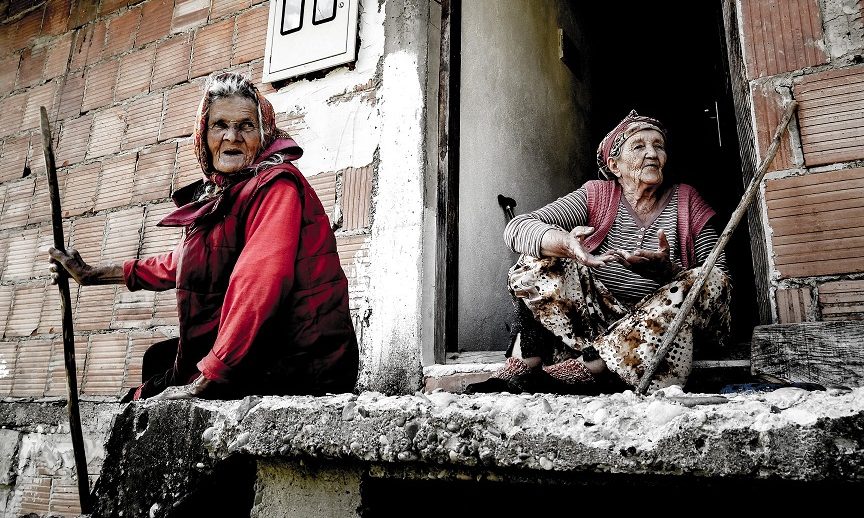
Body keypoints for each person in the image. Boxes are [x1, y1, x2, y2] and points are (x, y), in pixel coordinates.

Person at [49, 72, 359, 401]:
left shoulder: (275, 185)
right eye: (220, 125)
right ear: (204, 135)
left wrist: (208, 376)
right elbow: (184, 263)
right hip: (272, 344)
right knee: (159, 359)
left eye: (246, 126)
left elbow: (259, 279)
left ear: (264, 133)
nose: (232, 137)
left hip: (306, 356)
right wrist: (92, 275)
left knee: (165, 381)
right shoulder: (232, 192)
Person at [467, 110, 732, 395]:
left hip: (662, 327)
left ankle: (588, 370)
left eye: (658, 145)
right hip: (600, 324)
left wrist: (669, 272)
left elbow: (721, 285)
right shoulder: (598, 195)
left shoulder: (688, 200)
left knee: (710, 277)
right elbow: (517, 228)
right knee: (542, 249)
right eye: (639, 146)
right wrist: (567, 244)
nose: (652, 153)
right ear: (614, 165)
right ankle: (522, 365)